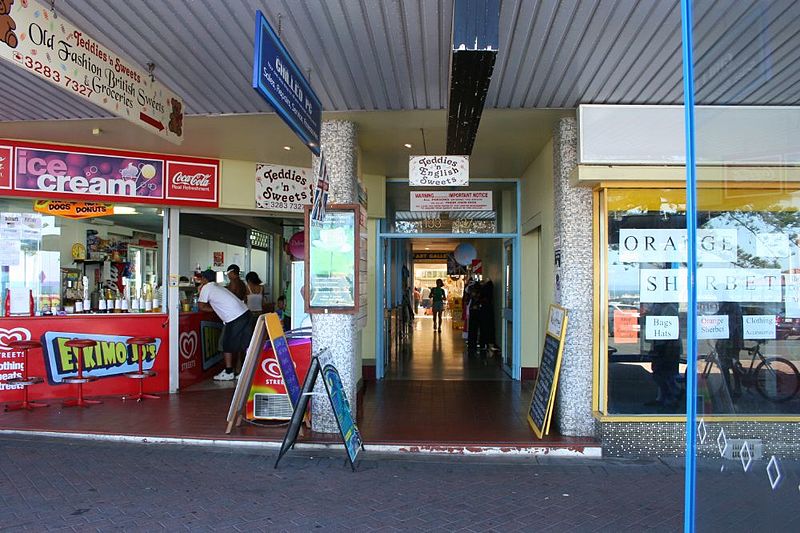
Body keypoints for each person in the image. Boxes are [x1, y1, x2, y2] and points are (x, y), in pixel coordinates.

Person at [197, 270, 254, 381]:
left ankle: (228, 372)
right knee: (242, 344)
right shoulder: (217, 287)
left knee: (226, 344)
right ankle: (242, 371)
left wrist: (215, 309)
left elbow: (201, 306)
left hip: (234, 317)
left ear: (204, 279)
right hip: (246, 313)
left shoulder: (207, 287)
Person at [646, 302, 682, 410]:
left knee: (666, 373)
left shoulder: (670, 309)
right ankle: (663, 398)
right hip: (660, 344)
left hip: (669, 347)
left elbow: (671, 332)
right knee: (659, 373)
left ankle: (673, 395)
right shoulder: (657, 307)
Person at [716, 301, 744, 399]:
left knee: (725, 366)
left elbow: (730, 325)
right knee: (733, 365)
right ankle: (736, 388)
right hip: (734, 341)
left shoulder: (727, 306)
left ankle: (728, 390)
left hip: (730, 341)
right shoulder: (734, 305)